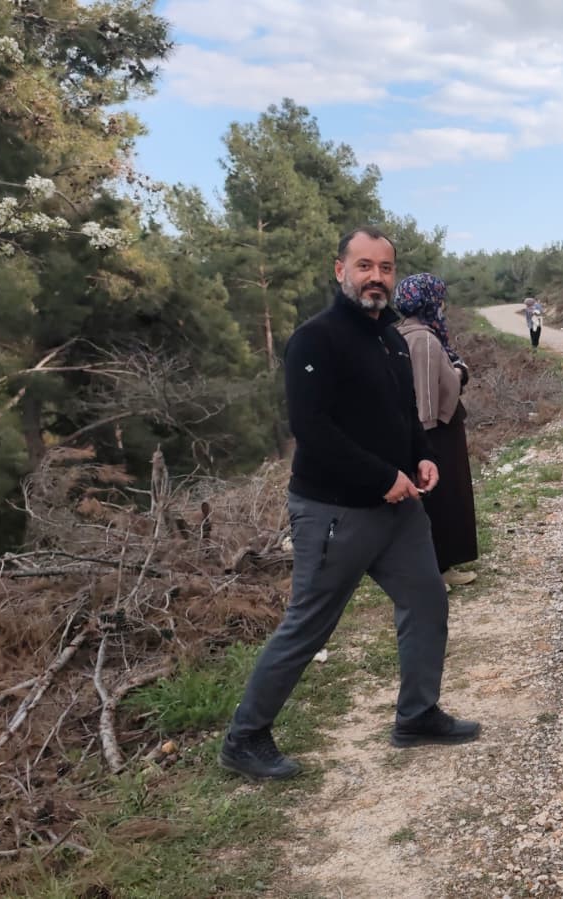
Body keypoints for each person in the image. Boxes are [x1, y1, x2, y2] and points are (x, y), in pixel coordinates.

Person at [219, 227, 480, 782]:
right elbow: (312, 429)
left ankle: (417, 715)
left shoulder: (391, 338)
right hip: (334, 512)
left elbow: (404, 414)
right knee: (309, 624)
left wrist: (422, 456)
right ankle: (244, 737)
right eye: (364, 266)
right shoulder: (315, 340)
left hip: (398, 510)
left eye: (385, 268)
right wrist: (382, 475)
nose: (375, 278)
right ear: (340, 270)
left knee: (427, 599)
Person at [395, 273, 480, 588]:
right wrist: (458, 373)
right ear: (428, 302)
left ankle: (441, 567)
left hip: (428, 431)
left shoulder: (404, 333)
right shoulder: (423, 339)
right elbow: (426, 394)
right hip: (435, 432)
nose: (442, 306)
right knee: (439, 501)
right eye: (439, 299)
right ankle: (432, 573)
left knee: (441, 502)